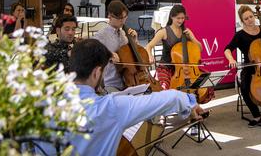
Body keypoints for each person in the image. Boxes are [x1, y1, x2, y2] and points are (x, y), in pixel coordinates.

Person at [65, 39, 205, 155]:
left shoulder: (46, 104)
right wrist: (190, 102)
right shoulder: (111, 108)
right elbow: (170, 98)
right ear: (96, 73)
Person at [145, 5, 214, 101]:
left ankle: (192, 107)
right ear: (171, 17)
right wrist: (150, 55)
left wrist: (192, 37)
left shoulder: (186, 31)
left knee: (205, 81)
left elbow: (200, 49)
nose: (181, 21)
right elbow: (148, 46)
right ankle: (191, 110)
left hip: (185, 67)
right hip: (167, 67)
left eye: (183, 18)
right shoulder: (163, 31)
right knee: (165, 89)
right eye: (178, 18)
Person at [92, 0, 137, 92]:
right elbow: (92, 53)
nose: (123, 21)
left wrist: (134, 40)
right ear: (110, 16)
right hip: (111, 82)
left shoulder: (124, 33)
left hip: (129, 80)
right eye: (119, 18)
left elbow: (133, 55)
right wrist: (108, 54)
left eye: (124, 17)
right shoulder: (101, 35)